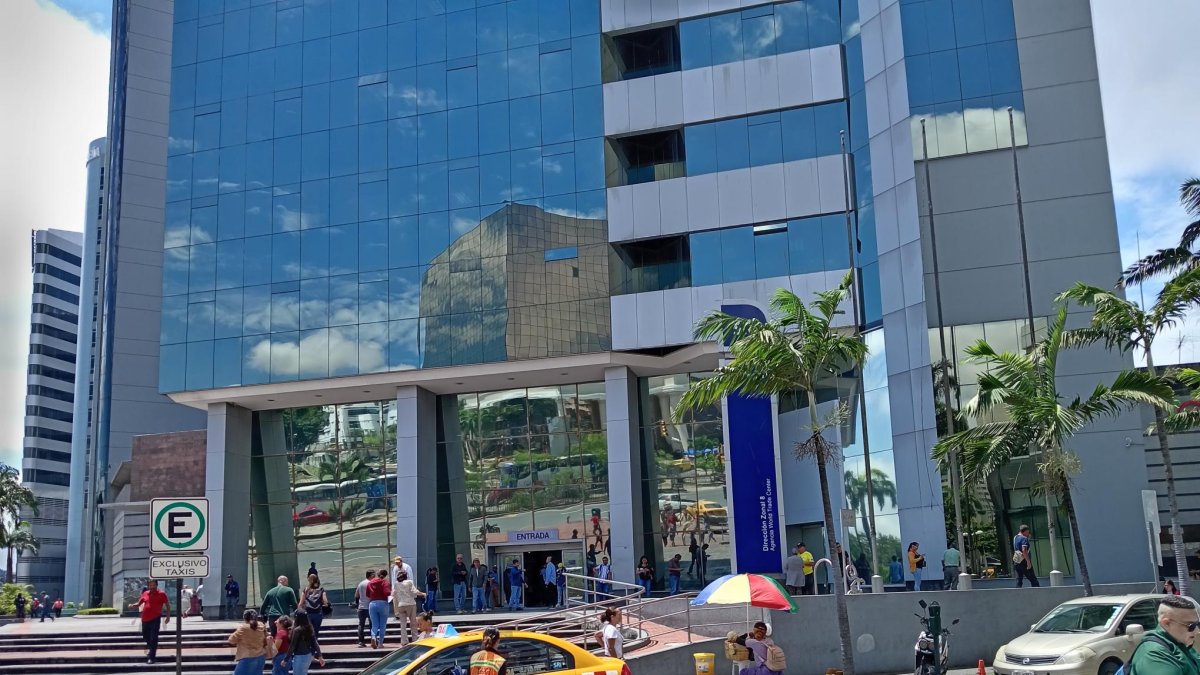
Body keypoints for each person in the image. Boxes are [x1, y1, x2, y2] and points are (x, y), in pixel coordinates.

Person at [1126, 594, 1200, 675]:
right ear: (1166, 623)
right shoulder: (1154, 654)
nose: (1197, 631)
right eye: (1191, 626)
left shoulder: (1182, 643)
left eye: (1198, 624)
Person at [129, 579, 171, 664]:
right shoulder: (145, 593)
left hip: (156, 618)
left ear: (156, 585)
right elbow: (139, 604)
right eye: (150, 585)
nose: (152, 587)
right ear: (148, 586)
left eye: (153, 585)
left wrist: (168, 616)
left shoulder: (162, 594)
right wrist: (132, 605)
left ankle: (151, 657)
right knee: (145, 635)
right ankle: (152, 647)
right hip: (145, 619)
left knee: (153, 638)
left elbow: (167, 605)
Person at [228, 609, 270, 675]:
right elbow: (266, 636)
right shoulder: (261, 625)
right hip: (261, 657)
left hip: (248, 657)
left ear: (244, 618)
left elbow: (231, 640)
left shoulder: (243, 628)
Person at [284, 610, 325, 675]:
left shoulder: (297, 630)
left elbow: (292, 646)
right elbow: (315, 643)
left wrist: (285, 659)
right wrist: (320, 656)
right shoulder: (310, 628)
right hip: (308, 655)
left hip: (300, 657)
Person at [393, 570, 426, 646]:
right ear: (406, 576)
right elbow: (414, 591)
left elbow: (395, 595)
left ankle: (404, 641)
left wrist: (396, 610)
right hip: (410, 604)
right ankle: (414, 639)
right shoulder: (409, 582)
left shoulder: (396, 584)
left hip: (401, 604)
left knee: (403, 624)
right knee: (413, 622)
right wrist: (422, 594)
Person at [366, 567, 392, 648]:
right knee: (382, 625)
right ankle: (380, 643)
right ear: (385, 575)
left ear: (377, 574)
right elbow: (387, 592)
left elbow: (367, 594)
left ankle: (373, 637)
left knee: (374, 624)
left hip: (372, 603)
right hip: (383, 603)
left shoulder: (370, 582)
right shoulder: (385, 582)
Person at [353, 569, 374, 647]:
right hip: (370, 606)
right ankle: (373, 640)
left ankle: (361, 641)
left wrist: (358, 605)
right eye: (373, 575)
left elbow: (356, 595)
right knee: (372, 625)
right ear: (370, 575)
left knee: (361, 625)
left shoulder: (361, 584)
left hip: (361, 607)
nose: (375, 576)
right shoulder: (371, 583)